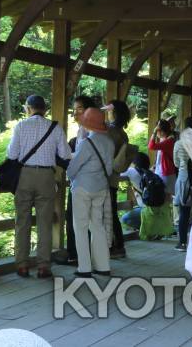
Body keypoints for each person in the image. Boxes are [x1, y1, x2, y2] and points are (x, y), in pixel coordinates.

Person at [6, 95, 71, 278]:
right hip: (46, 177)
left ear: (28, 108)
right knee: (45, 222)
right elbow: (65, 154)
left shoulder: (21, 126)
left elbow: (12, 154)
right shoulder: (55, 128)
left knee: (22, 221)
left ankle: (22, 265)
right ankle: (43, 266)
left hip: (24, 175)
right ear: (45, 109)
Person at [67, 106, 115, 278]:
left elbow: (74, 166)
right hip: (101, 187)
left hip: (82, 188)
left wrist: (70, 178)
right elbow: (109, 169)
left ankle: (84, 267)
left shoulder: (87, 143)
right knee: (98, 226)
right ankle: (102, 266)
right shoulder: (109, 142)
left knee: (80, 227)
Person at [63, 94, 97, 265]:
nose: (75, 112)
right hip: (86, 183)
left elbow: (85, 157)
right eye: (74, 109)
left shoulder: (91, 131)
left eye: (80, 109)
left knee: (78, 220)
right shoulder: (83, 131)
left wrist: (69, 156)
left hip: (84, 183)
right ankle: (80, 255)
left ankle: (78, 256)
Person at [105, 100, 133, 259]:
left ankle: (115, 246)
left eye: (109, 111)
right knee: (112, 212)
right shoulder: (123, 133)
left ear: (113, 113)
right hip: (114, 178)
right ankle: (118, 245)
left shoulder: (110, 132)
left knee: (108, 213)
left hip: (105, 177)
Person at [173, 116, 192, 252]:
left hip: (184, 177)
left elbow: (176, 162)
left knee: (184, 211)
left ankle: (182, 243)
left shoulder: (179, 143)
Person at [148, 118, 178, 198]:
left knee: (164, 198)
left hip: (166, 174)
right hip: (163, 172)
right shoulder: (165, 139)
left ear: (161, 131)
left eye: (157, 130)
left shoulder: (169, 141)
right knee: (162, 199)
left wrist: (154, 132)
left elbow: (151, 146)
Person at [120, 150, 148, 231]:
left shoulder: (131, 171)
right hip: (157, 210)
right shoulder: (150, 172)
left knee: (124, 219)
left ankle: (146, 229)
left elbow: (117, 173)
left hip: (146, 209)